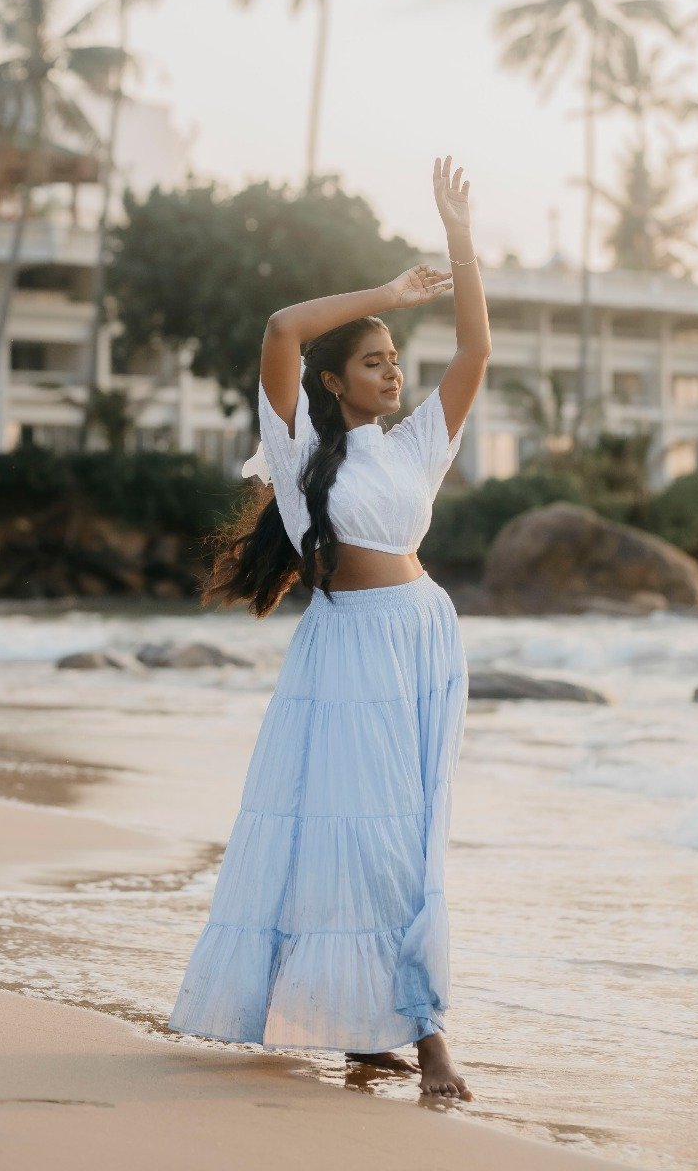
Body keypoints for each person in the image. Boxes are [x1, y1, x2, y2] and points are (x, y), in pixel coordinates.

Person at [167, 155, 491, 1101]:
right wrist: (390, 289)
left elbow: (473, 355)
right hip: (347, 647)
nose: (394, 372)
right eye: (377, 360)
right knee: (355, 837)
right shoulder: (297, 447)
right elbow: (279, 328)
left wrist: (461, 244)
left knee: (408, 834)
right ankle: (416, 1039)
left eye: (396, 359)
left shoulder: (419, 445)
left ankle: (383, 1032)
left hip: (422, 639)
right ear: (336, 379)